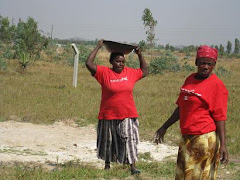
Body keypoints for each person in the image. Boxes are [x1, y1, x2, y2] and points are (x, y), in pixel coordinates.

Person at [154, 45, 229, 180]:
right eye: (202, 63)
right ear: (196, 63)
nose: (205, 66)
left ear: (214, 65)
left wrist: (223, 145)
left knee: (198, 176)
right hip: (187, 137)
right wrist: (164, 127)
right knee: (183, 175)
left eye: (209, 64)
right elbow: (181, 108)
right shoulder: (189, 80)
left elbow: (220, 117)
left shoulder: (217, 85)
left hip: (204, 139)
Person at [86, 39, 148, 175]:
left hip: (127, 114)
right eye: (118, 61)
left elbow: (145, 70)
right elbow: (88, 63)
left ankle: (133, 167)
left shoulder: (130, 73)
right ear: (111, 62)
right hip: (108, 114)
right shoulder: (104, 73)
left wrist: (139, 54)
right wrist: (98, 46)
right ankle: (107, 165)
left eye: (123, 62)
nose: (121, 64)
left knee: (129, 139)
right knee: (108, 140)